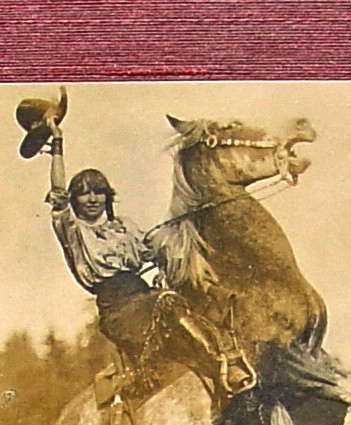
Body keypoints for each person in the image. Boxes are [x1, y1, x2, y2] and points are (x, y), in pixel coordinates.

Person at [43, 117, 256, 399]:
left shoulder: (125, 227)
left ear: (107, 197)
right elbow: (58, 195)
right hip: (119, 309)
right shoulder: (74, 230)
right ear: (74, 201)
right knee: (167, 302)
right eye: (83, 194)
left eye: (98, 191)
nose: (92, 198)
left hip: (145, 296)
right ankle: (220, 366)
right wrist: (57, 144)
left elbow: (159, 248)